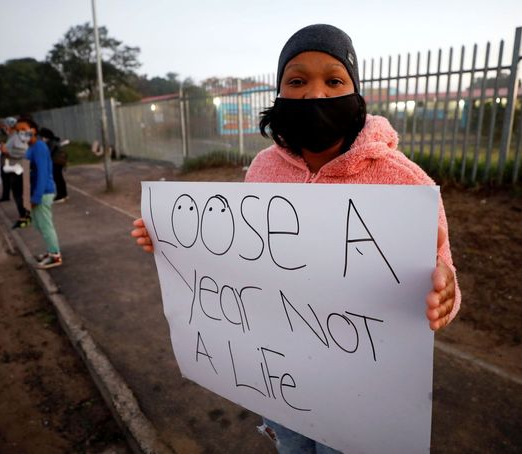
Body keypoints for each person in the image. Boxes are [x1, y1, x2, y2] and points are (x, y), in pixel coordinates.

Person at [131, 24, 460, 453]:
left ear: (356, 94)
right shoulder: (263, 168)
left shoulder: (404, 182)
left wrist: (445, 296)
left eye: (334, 80)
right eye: (298, 81)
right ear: (280, 92)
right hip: (280, 385)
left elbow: (444, 277)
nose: (316, 95)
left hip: (357, 400)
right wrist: (176, 244)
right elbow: (240, 253)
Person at [16, 118, 63, 269]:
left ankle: (55, 256)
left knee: (45, 225)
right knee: (39, 225)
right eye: (18, 131)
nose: (20, 133)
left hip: (43, 192)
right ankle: (50, 252)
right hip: (35, 192)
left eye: (23, 129)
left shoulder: (39, 147)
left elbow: (42, 173)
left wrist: (35, 197)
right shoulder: (30, 148)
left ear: (33, 130)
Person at [37, 127, 69, 203]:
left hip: (56, 161)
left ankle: (61, 195)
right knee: (59, 178)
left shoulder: (51, 143)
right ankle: (64, 194)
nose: (41, 138)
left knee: (57, 178)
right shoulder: (54, 141)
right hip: (59, 161)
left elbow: (48, 153)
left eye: (42, 137)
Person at [0, 117, 17, 203]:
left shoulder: (13, 135)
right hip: (6, 159)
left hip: (11, 160)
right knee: (5, 178)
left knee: (12, 180)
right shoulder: (8, 134)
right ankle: (6, 195)